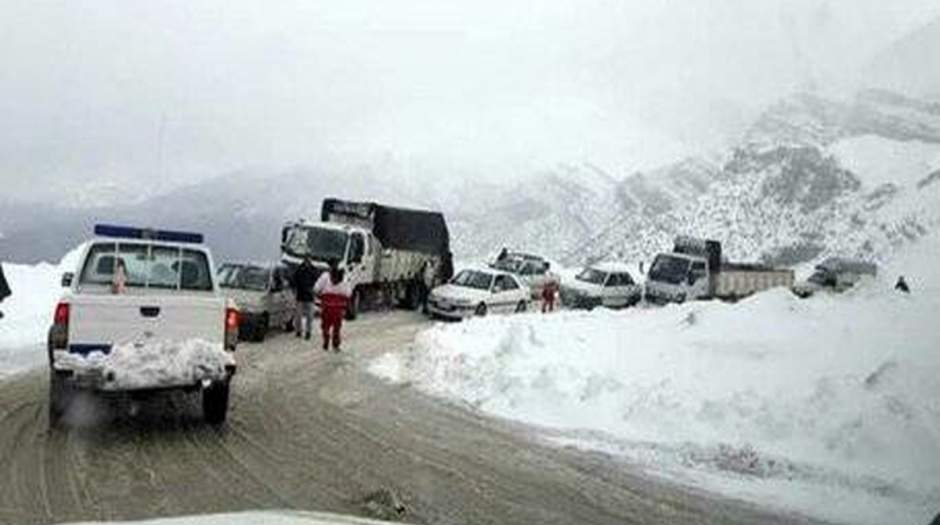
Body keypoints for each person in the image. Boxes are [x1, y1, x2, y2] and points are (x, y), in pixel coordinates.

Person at [314, 261, 352, 352]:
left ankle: (327, 342)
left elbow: (316, 289)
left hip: (327, 308)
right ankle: (334, 344)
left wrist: (319, 297)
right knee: (336, 328)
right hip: (337, 309)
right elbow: (348, 294)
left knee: (326, 327)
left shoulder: (325, 277)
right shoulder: (344, 280)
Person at [292, 257, 319, 340]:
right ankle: (298, 331)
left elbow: (317, 280)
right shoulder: (299, 269)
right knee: (298, 316)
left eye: (309, 260)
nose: (307, 262)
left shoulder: (314, 270)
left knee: (310, 316)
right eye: (306, 260)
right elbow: (294, 279)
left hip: (310, 296)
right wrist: (295, 289)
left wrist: (314, 290)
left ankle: (308, 332)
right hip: (300, 296)